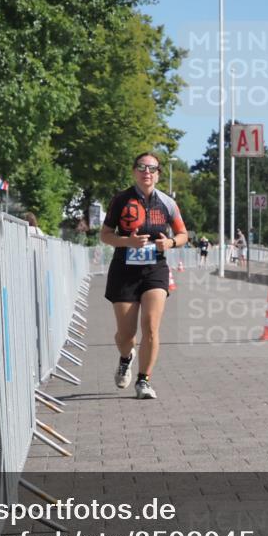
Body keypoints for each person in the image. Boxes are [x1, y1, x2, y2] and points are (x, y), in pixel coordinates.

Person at [100, 152, 188, 400]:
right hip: (124, 271)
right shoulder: (121, 200)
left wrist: (170, 243)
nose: (146, 172)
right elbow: (105, 235)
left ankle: (143, 381)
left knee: (150, 326)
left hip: (154, 270)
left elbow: (183, 235)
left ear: (158, 174)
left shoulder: (167, 203)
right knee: (126, 335)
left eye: (152, 168)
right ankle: (126, 357)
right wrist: (127, 241)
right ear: (134, 172)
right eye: (141, 167)